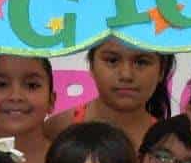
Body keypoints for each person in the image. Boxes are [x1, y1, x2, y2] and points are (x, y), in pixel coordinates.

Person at [44, 38, 175, 149]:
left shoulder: (171, 143)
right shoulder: (56, 129)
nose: (126, 75)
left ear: (162, 71)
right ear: (91, 66)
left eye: (141, 62)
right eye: (112, 60)